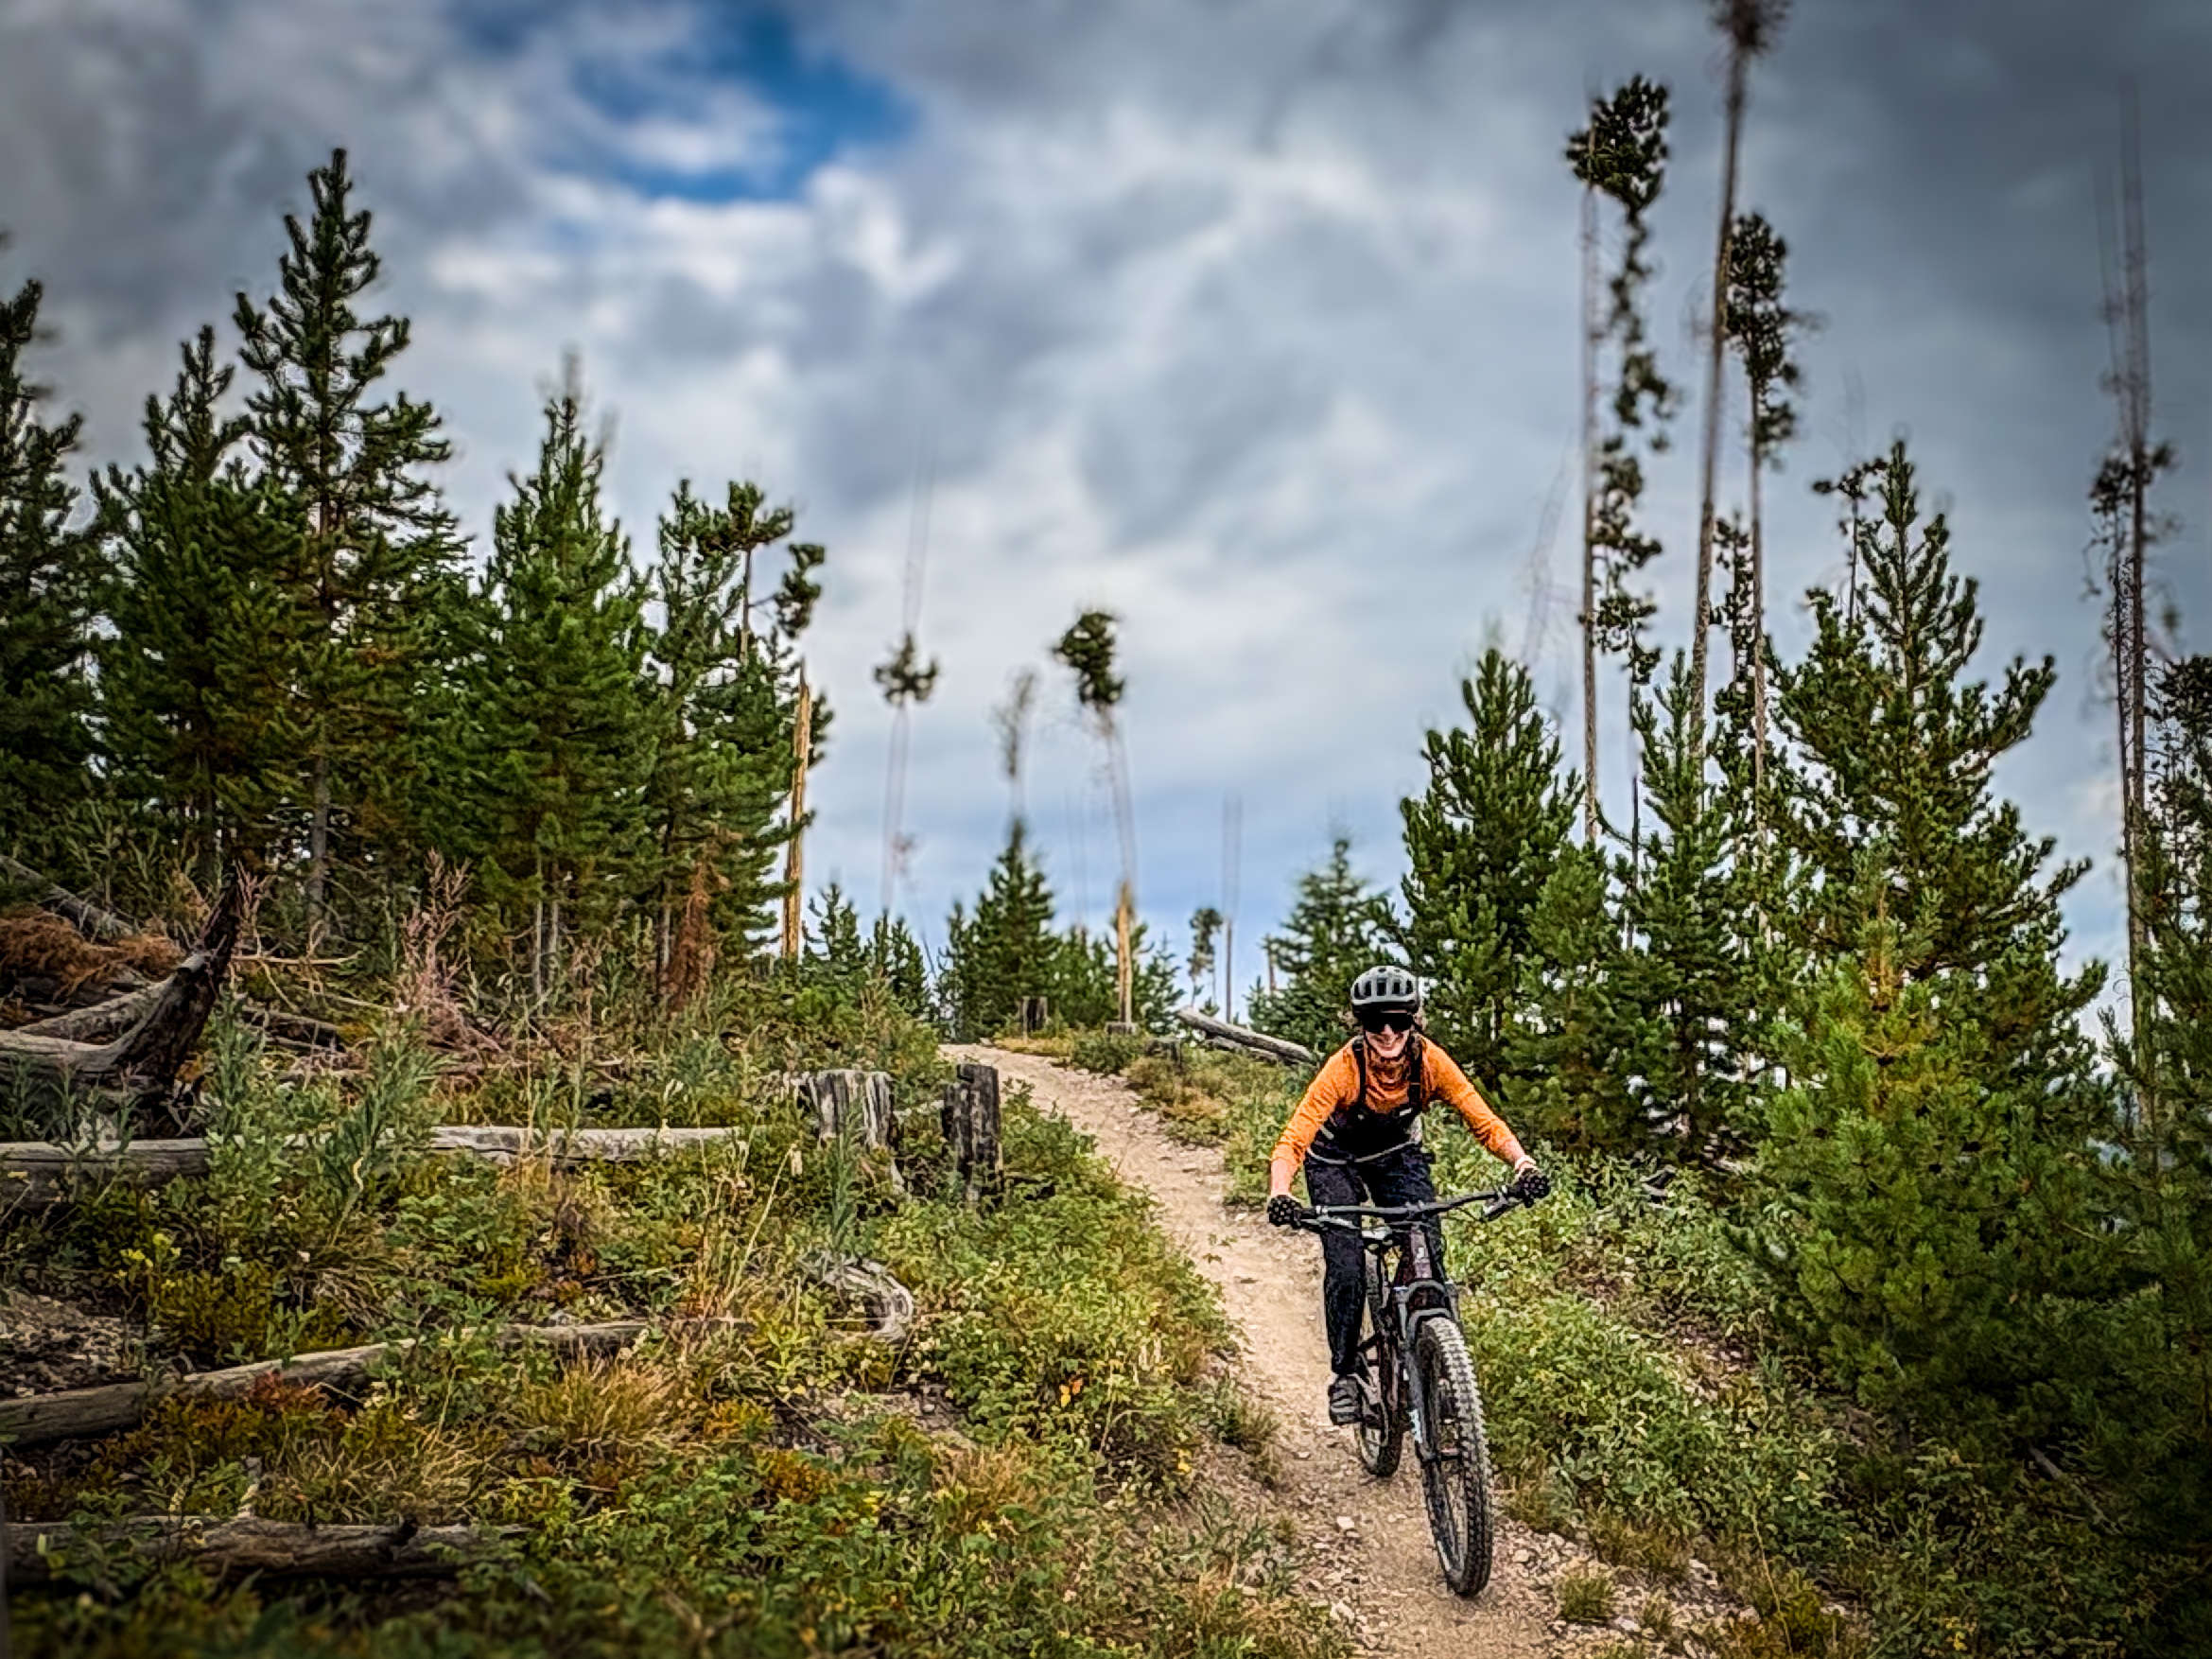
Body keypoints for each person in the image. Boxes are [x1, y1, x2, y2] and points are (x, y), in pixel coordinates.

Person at [1265, 964, 1548, 1425]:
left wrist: (1523, 1164)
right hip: (1334, 1160)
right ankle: (1346, 1377)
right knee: (1347, 1265)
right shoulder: (1343, 1068)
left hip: (1396, 1155)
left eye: (1398, 1019)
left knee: (1427, 1250)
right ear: (1361, 1025)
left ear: (1414, 1020)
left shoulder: (1431, 1062)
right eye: (1375, 1022)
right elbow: (1295, 1137)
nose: (1387, 1031)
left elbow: (1482, 1118)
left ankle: (1433, 1359)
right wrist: (1282, 1191)